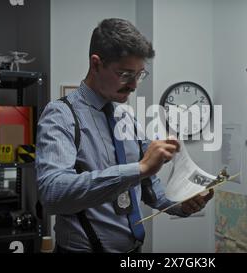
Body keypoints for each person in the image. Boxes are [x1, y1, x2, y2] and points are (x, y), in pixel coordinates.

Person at [36, 18, 213, 253]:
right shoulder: (61, 115)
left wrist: (181, 205)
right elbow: (52, 193)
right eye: (125, 74)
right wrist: (138, 168)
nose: (133, 85)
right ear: (96, 64)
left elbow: (148, 189)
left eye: (139, 75)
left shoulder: (127, 117)